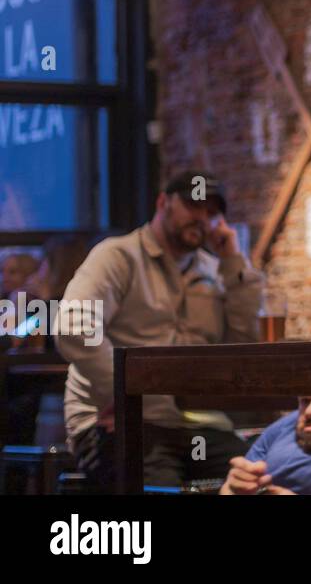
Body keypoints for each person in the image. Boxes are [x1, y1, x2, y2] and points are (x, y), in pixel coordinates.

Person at [55, 169, 264, 491]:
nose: (202, 219)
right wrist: (126, 392)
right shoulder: (118, 256)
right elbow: (75, 327)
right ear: (163, 202)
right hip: (117, 423)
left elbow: (242, 348)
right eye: (194, 207)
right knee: (159, 485)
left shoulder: (216, 271)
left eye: (211, 212)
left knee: (260, 481)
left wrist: (234, 262)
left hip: (195, 427)